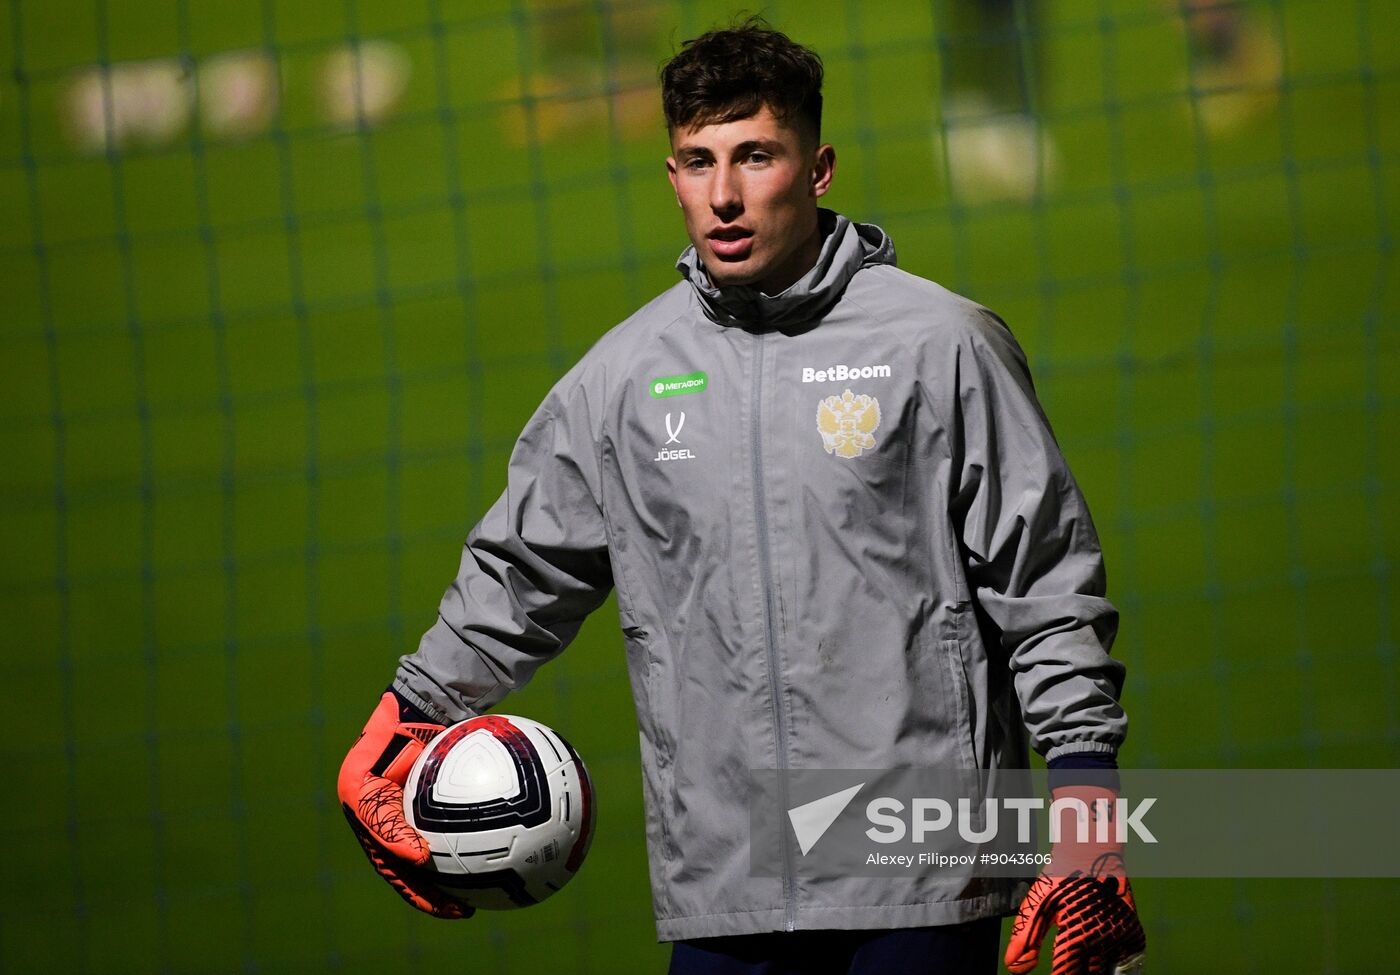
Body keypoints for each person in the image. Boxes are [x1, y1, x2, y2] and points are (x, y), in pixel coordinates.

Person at [338, 17, 1145, 975]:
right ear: (671, 173)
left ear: (819, 167)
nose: (723, 195)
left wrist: (1086, 797)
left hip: (926, 877)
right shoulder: (623, 380)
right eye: (695, 161)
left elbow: (1044, 583)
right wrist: (413, 708)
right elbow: (522, 571)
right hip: (726, 889)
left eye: (755, 156)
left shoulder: (942, 347)